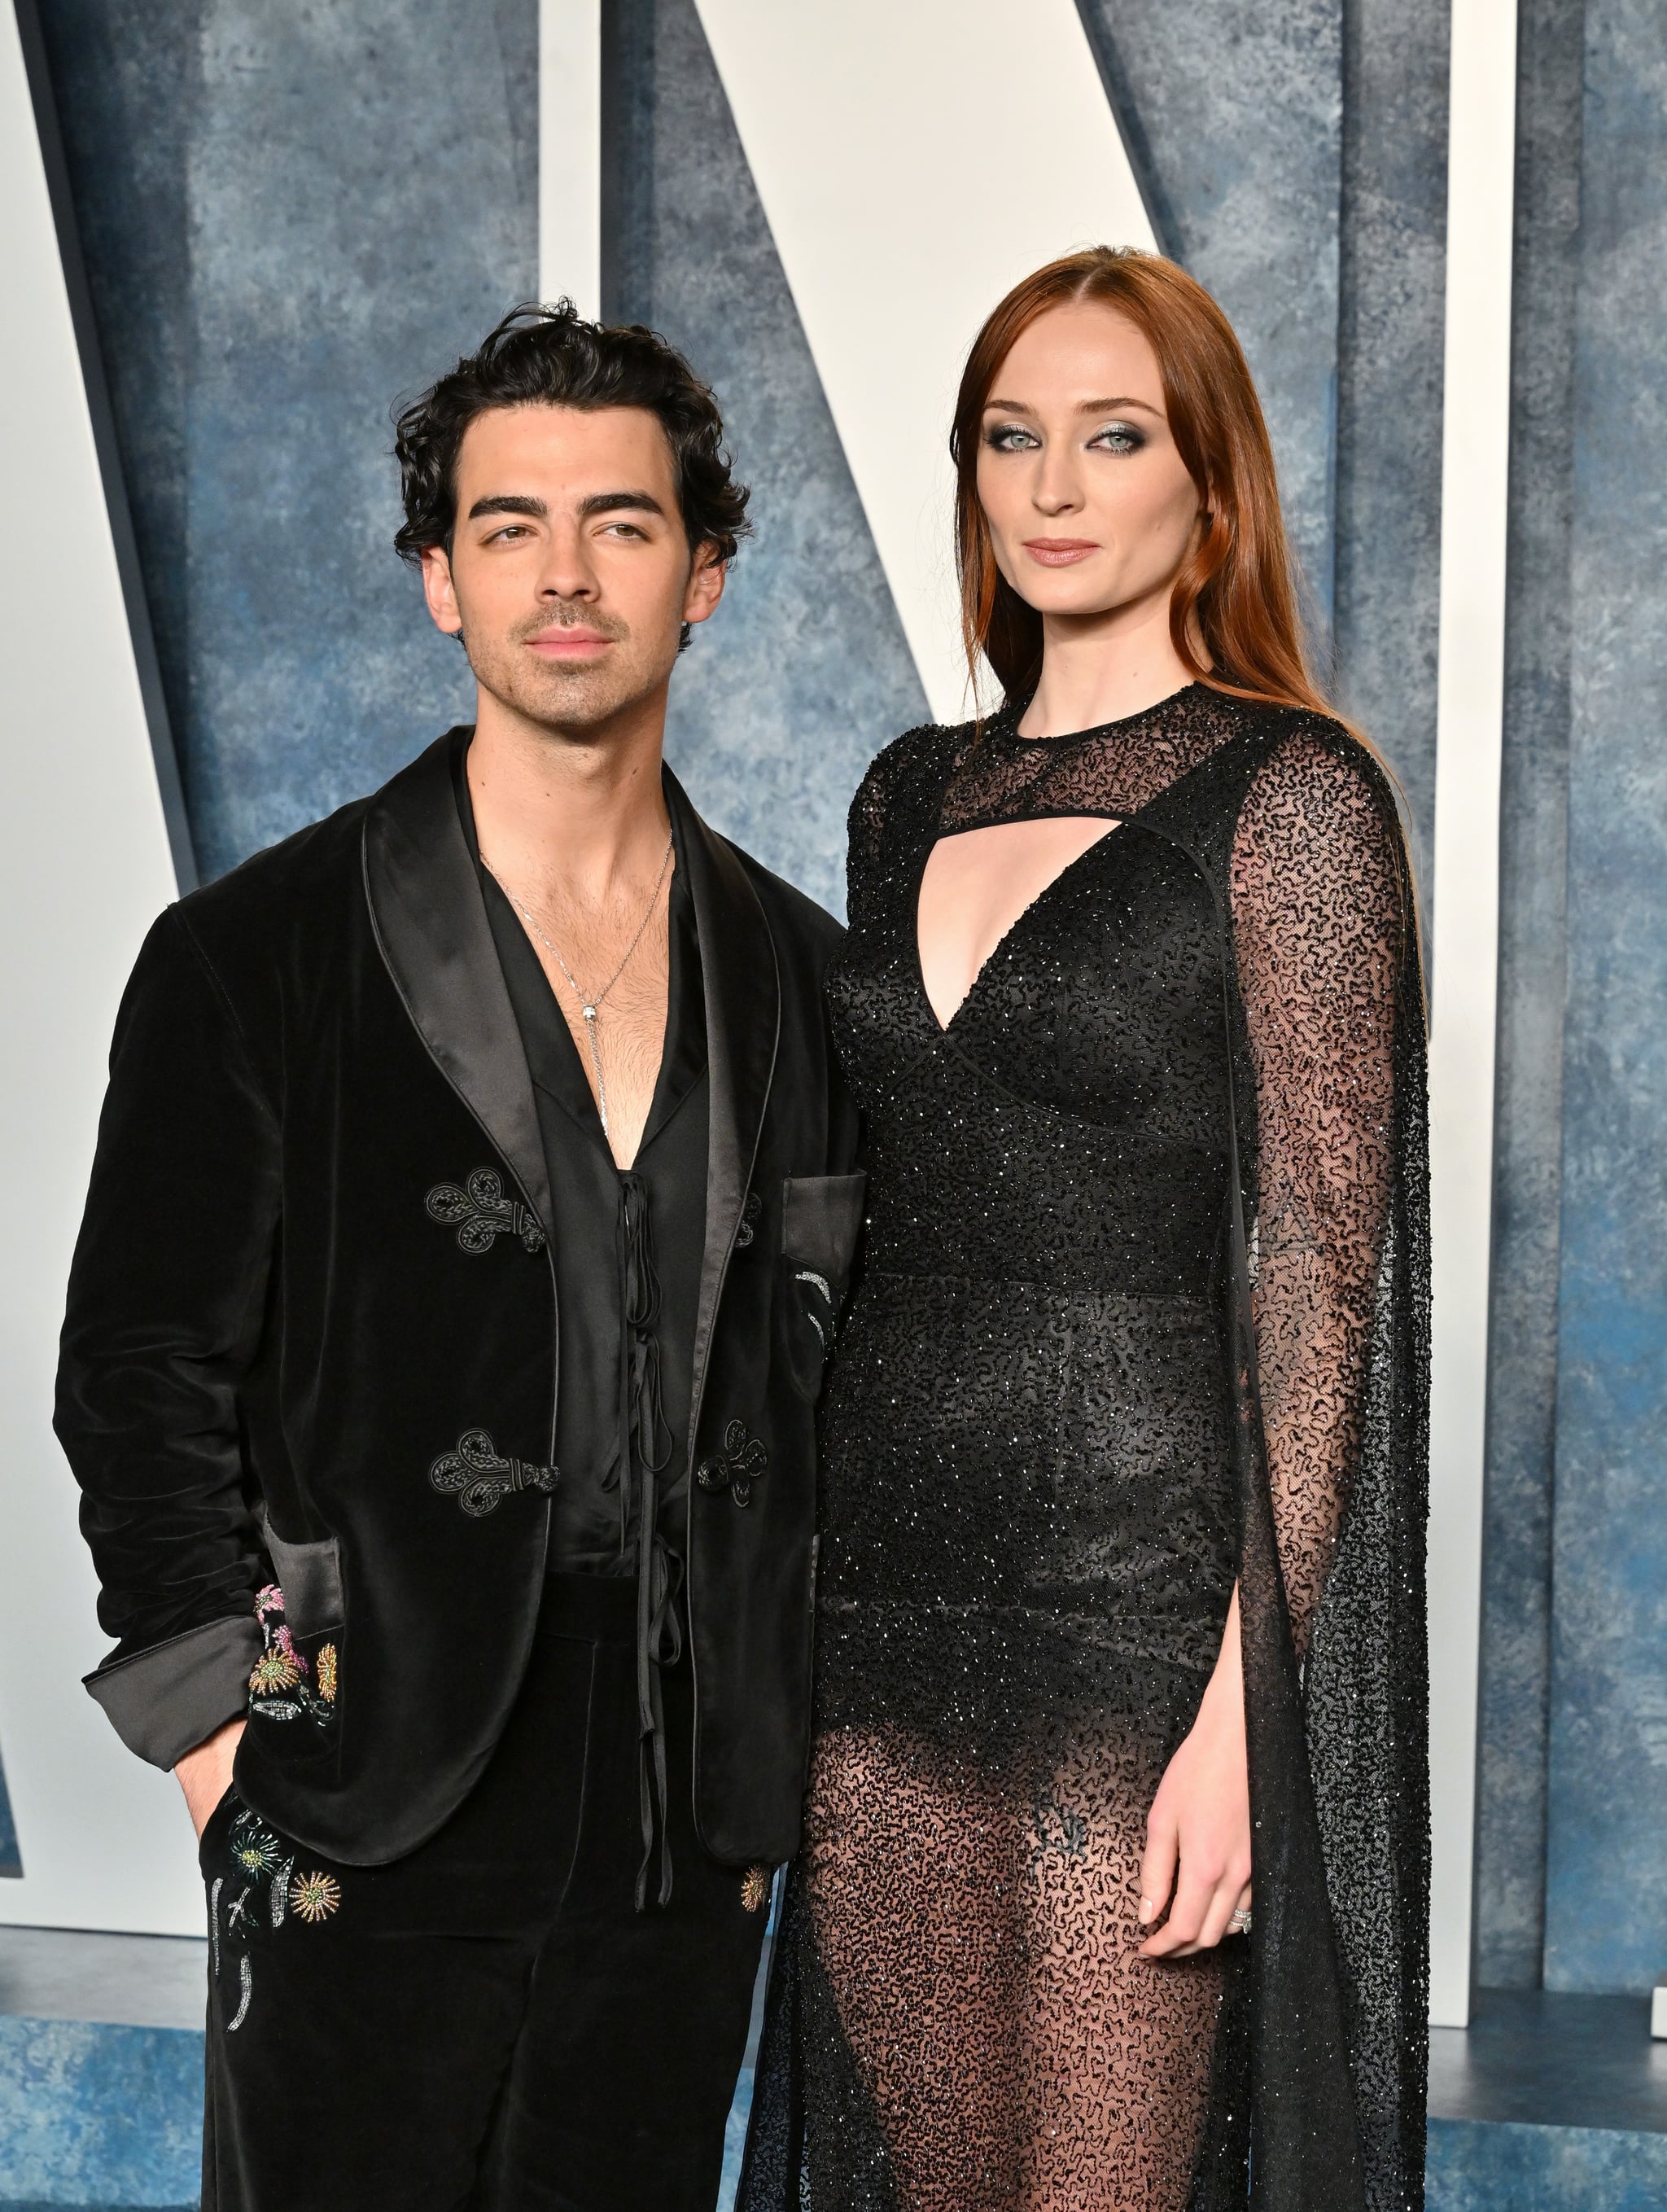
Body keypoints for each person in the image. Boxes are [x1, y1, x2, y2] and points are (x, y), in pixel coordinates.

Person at [56, 302, 864, 2212]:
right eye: (508, 528)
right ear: (439, 580)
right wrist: (225, 1754)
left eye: (621, 524)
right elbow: (138, 1370)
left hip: (686, 1798)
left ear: (708, 574)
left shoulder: (803, 977)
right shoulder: (250, 956)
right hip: (355, 1761)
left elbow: (841, 1378)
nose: (564, 577)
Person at [741, 247, 1429, 2212]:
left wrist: (1247, 1715)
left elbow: (1319, 1280)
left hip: (1139, 1628)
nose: (1049, 485)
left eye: (1109, 436)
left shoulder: (1287, 799)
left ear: (1205, 489)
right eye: (1007, 437)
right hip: (881, 1614)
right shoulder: (907, 793)